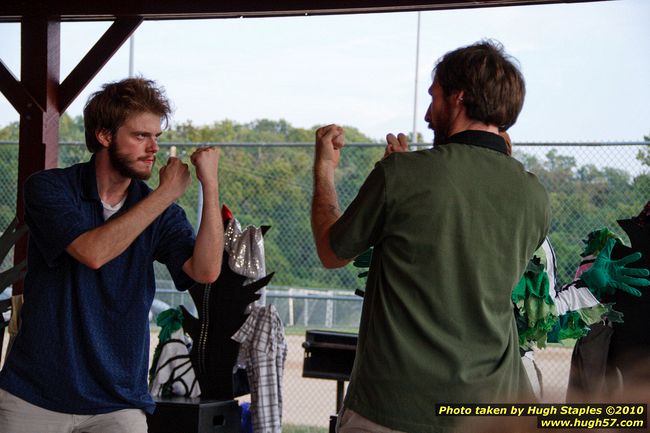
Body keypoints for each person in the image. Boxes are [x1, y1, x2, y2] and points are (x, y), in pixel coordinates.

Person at [311, 40, 550, 433]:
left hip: (393, 407)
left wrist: (324, 169)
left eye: (434, 97)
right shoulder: (534, 195)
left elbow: (331, 250)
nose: (426, 114)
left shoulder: (401, 176)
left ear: (458, 97)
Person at [0, 77, 223, 433]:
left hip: (119, 403)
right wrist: (165, 194)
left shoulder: (159, 211)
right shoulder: (49, 188)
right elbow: (92, 252)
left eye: (157, 137)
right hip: (34, 396)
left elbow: (206, 271)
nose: (153, 148)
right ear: (104, 136)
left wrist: (209, 186)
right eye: (140, 136)